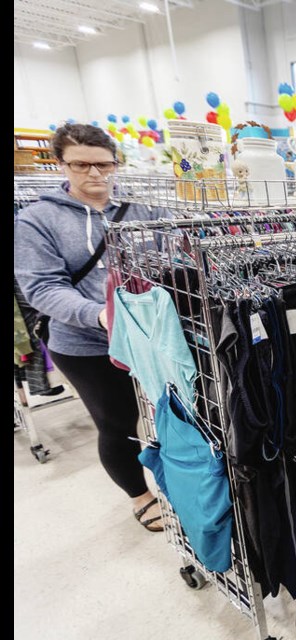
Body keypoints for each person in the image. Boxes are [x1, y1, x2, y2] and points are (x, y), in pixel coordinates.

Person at [14, 124, 169, 533]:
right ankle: (140, 496)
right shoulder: (36, 220)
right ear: (62, 164)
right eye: (81, 164)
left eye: (104, 164)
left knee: (171, 416)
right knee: (117, 423)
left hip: (152, 335)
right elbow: (41, 288)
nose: (95, 174)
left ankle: (180, 486)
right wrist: (99, 314)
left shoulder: (144, 211)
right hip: (85, 344)